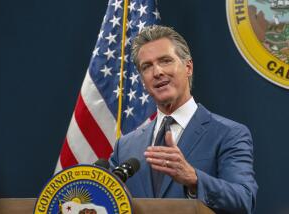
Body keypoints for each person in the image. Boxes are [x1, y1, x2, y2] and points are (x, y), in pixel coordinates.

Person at [109, 25, 258, 214]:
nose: (157, 72)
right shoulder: (126, 146)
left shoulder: (228, 133)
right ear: (143, 81)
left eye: (165, 61)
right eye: (147, 66)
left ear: (188, 67)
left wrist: (194, 178)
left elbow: (243, 199)